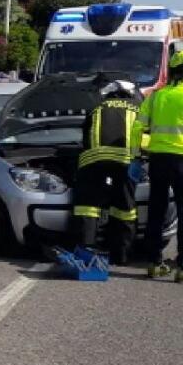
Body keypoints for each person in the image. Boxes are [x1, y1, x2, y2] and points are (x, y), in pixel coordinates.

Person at [132, 50, 183, 283]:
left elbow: (138, 127)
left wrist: (135, 156)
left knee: (156, 212)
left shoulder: (157, 96)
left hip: (157, 159)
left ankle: (154, 262)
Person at [72, 79, 143, 264]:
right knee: (124, 209)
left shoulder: (96, 108)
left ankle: (86, 252)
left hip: (94, 161)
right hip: (125, 162)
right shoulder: (137, 109)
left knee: (88, 207)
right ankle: (122, 255)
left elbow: (85, 138)